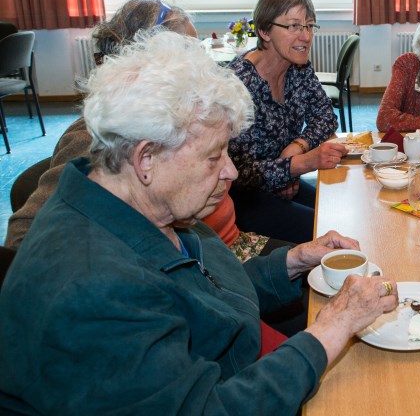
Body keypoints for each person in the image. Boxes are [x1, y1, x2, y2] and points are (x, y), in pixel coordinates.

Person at [0, 32, 398, 413]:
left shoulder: (147, 206)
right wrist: (332, 328)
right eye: (213, 157)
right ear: (146, 160)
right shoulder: (95, 290)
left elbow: (210, 293)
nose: (231, 172)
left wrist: (293, 260)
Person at [4, 0, 200, 250]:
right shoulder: (99, 136)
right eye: (190, 51)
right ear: (150, 61)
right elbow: (22, 239)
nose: (201, 63)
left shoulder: (167, 119)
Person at [228, 0, 347, 244]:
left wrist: (297, 147)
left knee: (340, 217)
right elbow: (240, 174)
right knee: (324, 233)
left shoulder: (298, 67)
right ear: (264, 31)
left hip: (283, 181)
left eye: (309, 25)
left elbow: (326, 116)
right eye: (293, 26)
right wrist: (300, 164)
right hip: (244, 198)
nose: (305, 35)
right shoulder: (238, 83)